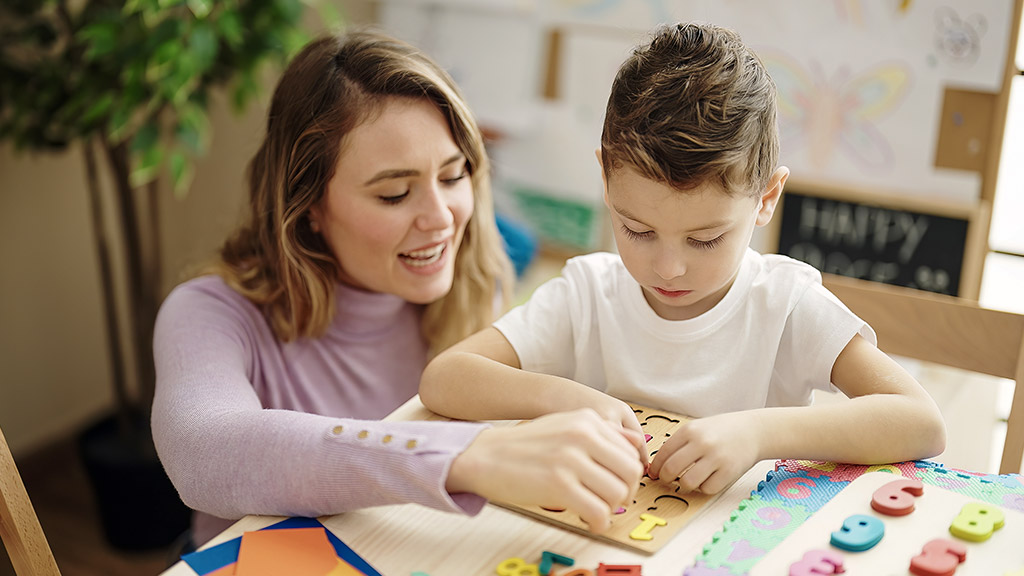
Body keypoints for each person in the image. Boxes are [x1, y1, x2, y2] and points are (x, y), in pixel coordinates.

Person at [151, 28, 646, 548]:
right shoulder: (208, 312)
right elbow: (204, 452)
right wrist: (469, 456)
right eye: (394, 194)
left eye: (453, 178)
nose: (440, 219)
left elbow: (517, 244)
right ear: (309, 206)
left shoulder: (477, 273)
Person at [420, 22, 946, 506]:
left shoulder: (786, 305)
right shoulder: (587, 294)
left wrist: (759, 433)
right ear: (605, 179)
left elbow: (922, 422)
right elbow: (445, 378)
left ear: (766, 198)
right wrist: (567, 399)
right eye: (638, 230)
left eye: (706, 239)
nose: (668, 267)